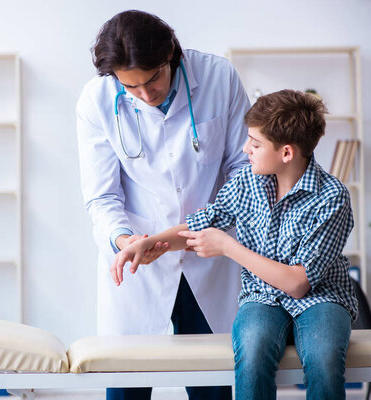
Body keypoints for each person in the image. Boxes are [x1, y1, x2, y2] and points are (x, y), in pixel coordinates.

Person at [113, 89, 359, 400]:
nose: (245, 149)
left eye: (255, 144)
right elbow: (200, 225)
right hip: (260, 297)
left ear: (286, 153)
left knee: (323, 357)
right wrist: (148, 243)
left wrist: (229, 247)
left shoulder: (331, 196)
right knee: (252, 353)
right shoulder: (247, 183)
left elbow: (298, 284)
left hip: (321, 297)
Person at [76, 9, 250, 400]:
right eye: (130, 87)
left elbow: (244, 172)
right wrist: (123, 241)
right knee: (127, 386)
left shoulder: (218, 78)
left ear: (171, 53)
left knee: (214, 386)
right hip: (137, 263)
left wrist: (187, 233)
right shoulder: (96, 99)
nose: (145, 94)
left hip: (209, 255)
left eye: (152, 78)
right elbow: (102, 195)